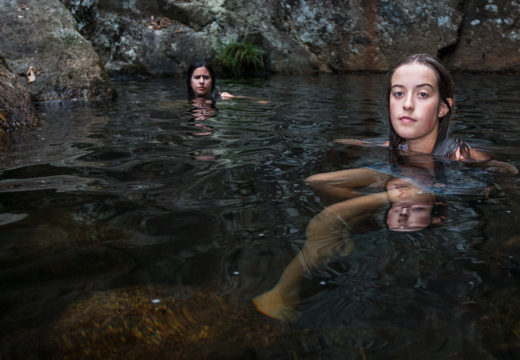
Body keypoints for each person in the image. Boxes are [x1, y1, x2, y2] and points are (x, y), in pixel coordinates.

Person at [336, 53, 517, 174]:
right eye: (398, 93)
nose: (407, 105)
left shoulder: (462, 156)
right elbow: (360, 144)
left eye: (422, 94)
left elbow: (509, 171)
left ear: (443, 108)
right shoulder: (397, 146)